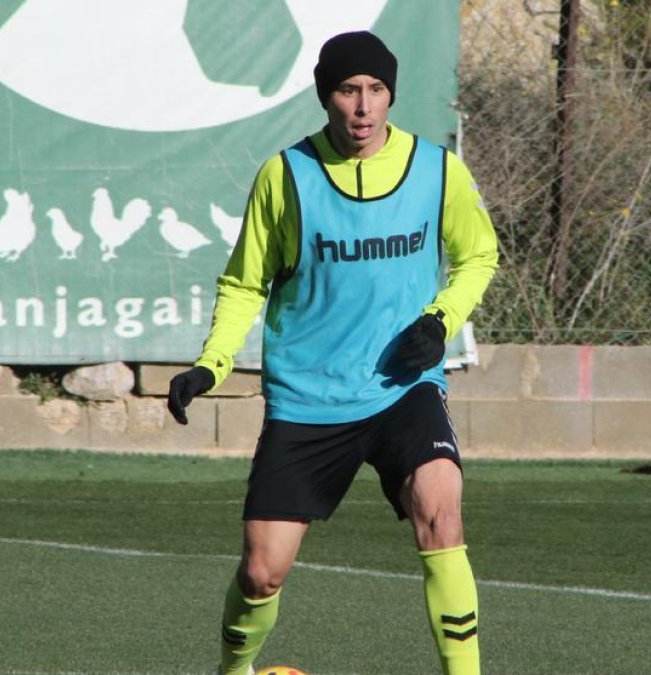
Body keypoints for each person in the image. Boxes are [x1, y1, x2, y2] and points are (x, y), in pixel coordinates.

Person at [167, 30, 498, 675]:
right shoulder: (286, 176)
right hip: (311, 400)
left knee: (441, 510)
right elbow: (244, 283)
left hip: (405, 388)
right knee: (262, 573)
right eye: (348, 90)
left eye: (376, 90)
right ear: (327, 97)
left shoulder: (437, 170)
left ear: (391, 95)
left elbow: (477, 256)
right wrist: (212, 362)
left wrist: (440, 320)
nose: (363, 106)